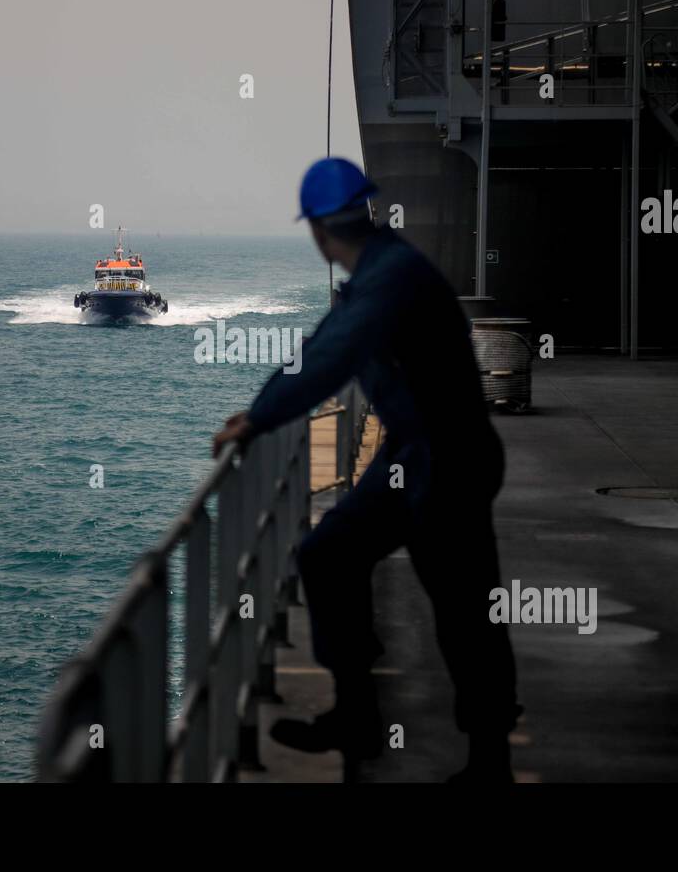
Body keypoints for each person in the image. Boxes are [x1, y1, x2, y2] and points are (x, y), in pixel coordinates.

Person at [212, 157, 521, 782]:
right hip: (412, 453)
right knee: (329, 554)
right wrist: (261, 411)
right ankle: (357, 715)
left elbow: (330, 356)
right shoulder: (378, 273)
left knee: (464, 611)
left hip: (450, 461)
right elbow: (319, 349)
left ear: (319, 231)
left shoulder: (390, 276)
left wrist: (257, 420)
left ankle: (490, 764)